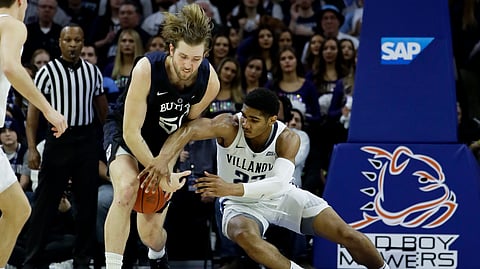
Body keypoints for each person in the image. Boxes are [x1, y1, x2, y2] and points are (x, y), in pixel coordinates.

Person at [153, 88, 390, 269]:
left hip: (280, 196)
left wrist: (229, 187)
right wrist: (162, 160)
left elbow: (278, 183)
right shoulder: (229, 125)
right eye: (244, 115)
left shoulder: (288, 138)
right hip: (240, 205)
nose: (245, 123)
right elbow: (188, 130)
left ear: (271, 120)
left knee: (350, 236)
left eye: (254, 120)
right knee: (246, 237)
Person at [102, 3, 220, 269]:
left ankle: (158, 256)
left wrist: (166, 162)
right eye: (183, 57)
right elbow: (131, 132)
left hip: (165, 142)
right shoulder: (146, 69)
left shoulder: (210, 82)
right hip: (126, 134)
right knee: (127, 189)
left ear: (205, 55)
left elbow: (185, 129)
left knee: (150, 234)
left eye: (196, 59)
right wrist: (161, 172)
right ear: (171, 50)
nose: (188, 65)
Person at [24, 24, 108, 269]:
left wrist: (108, 146)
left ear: (83, 43)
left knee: (87, 204)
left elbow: (102, 112)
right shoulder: (46, 72)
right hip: (58, 140)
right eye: (68, 40)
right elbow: (33, 115)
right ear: (60, 42)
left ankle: (83, 260)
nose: (73, 45)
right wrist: (31, 148)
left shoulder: (93, 72)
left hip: (86, 141)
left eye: (78, 40)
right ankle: (31, 261)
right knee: (45, 203)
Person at [0, 0, 67, 267]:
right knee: (18, 210)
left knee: (18, 210)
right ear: (21, 3)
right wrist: (49, 110)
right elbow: (10, 67)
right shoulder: (13, 25)